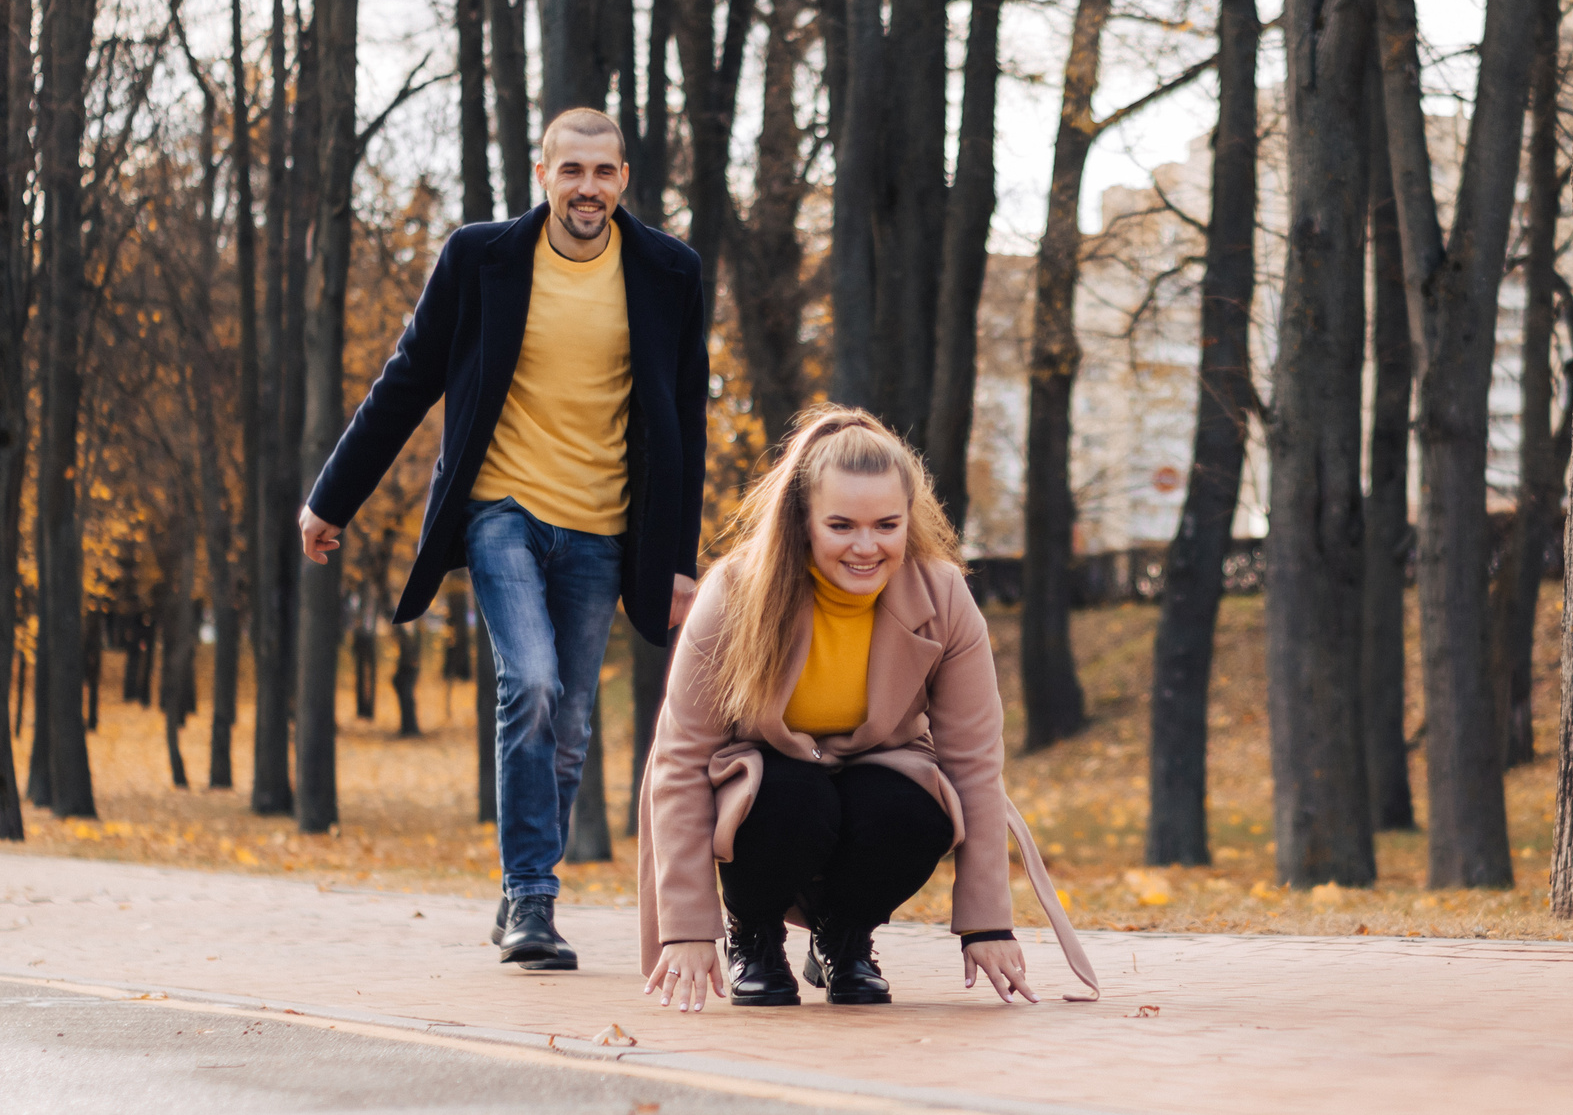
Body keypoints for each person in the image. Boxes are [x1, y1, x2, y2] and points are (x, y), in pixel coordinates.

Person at [300, 108, 707, 972]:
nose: (588, 188)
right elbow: (408, 377)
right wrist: (332, 497)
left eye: (603, 171)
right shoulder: (480, 257)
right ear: (543, 174)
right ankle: (532, 895)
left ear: (624, 178)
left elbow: (686, 419)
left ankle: (522, 884)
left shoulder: (669, 271)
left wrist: (678, 561)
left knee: (570, 722)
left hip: (603, 526)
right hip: (501, 510)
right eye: (572, 170)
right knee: (531, 680)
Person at [637, 405, 1097, 1011]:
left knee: (917, 808)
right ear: (802, 521)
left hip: (876, 779)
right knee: (797, 797)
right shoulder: (735, 592)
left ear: (909, 518)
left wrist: (987, 923)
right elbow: (679, 761)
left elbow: (974, 763)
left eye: (886, 525)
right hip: (765, 797)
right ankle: (754, 935)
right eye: (841, 525)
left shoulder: (944, 595)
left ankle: (844, 937)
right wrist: (688, 929)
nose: (865, 546)